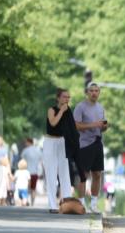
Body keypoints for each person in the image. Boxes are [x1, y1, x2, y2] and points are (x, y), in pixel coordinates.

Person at [74, 82, 108, 213]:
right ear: (87, 92)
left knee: (97, 174)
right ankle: (81, 204)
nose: (94, 93)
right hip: (84, 144)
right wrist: (93, 125)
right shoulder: (80, 107)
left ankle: (94, 204)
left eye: (96, 91)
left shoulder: (100, 108)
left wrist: (104, 127)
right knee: (84, 175)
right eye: (92, 91)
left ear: (99, 93)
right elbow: (76, 126)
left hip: (98, 142)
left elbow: (101, 127)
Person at [44, 88, 76, 214]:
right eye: (64, 97)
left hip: (62, 142)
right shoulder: (52, 110)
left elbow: (72, 127)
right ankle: (52, 205)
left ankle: (67, 204)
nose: (66, 99)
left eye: (68, 97)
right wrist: (62, 111)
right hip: (50, 141)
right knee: (51, 173)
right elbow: (53, 123)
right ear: (58, 98)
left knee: (65, 172)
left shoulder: (69, 111)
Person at [20, 137, 43, 206]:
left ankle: (25, 200)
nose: (25, 144)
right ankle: (32, 202)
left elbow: (22, 160)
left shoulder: (25, 150)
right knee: (33, 188)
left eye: (26, 142)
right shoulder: (38, 150)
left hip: (26, 172)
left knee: (26, 188)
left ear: (29, 142)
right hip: (35, 172)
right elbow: (41, 160)